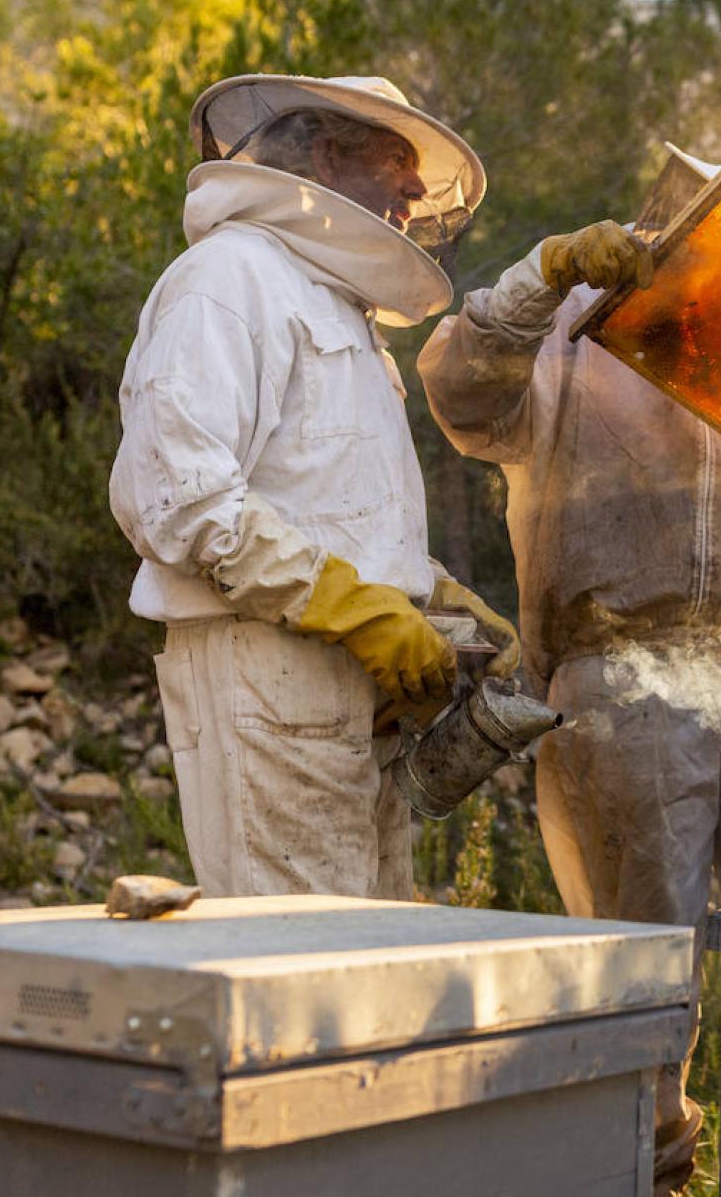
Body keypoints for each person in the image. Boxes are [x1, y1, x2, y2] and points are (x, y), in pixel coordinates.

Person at [416, 136, 721, 1196]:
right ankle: (646, 1168)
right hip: (619, 676)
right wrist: (539, 274)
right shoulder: (572, 327)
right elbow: (461, 396)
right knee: (646, 951)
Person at [109, 75, 518, 900]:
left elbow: (322, 497)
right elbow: (182, 497)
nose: (414, 188)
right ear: (328, 155)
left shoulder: (334, 306)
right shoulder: (228, 278)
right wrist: (356, 607)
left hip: (346, 682)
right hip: (267, 667)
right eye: (397, 161)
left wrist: (425, 590)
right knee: (296, 959)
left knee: (363, 961)